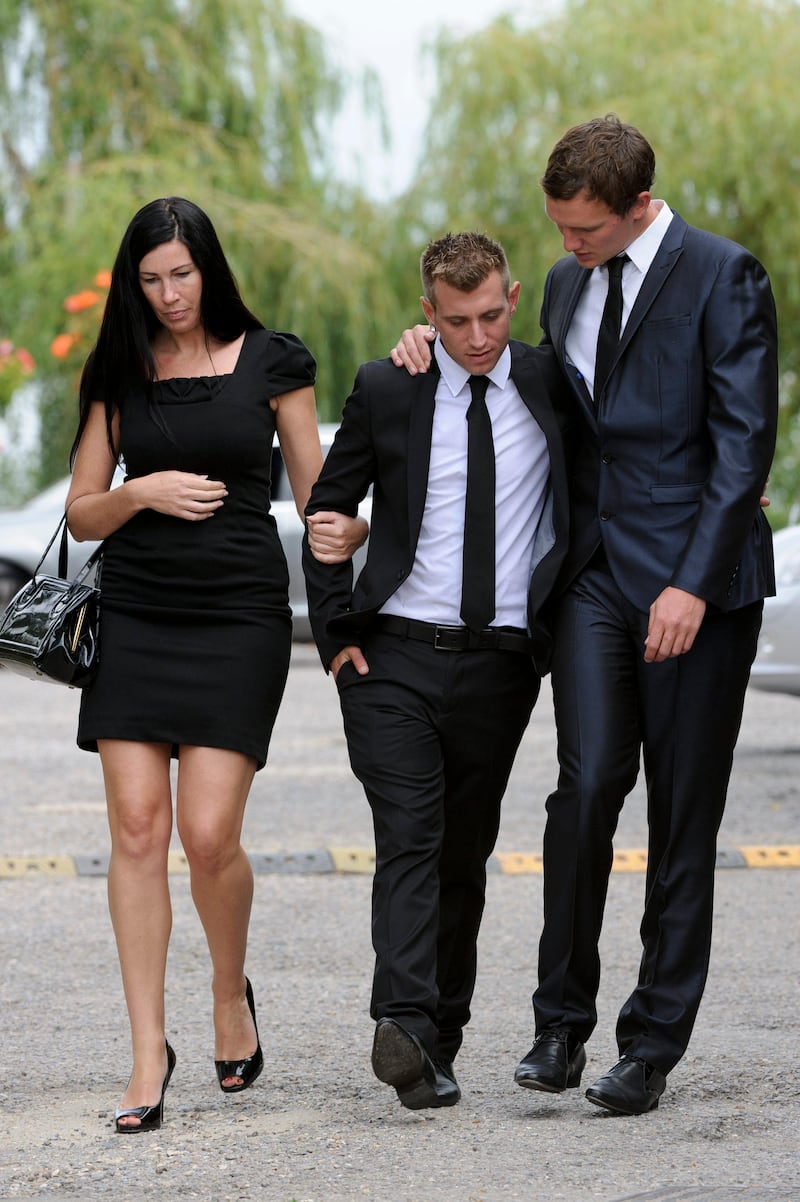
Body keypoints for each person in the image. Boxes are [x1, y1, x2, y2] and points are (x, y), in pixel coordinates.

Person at [390, 116, 778, 1115]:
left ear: (636, 208)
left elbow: (743, 445)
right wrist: (426, 345)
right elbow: (532, 396)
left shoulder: (720, 274)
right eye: (557, 228)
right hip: (593, 577)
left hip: (697, 582)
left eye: (584, 231)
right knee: (584, 786)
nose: (565, 248)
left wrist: (692, 581)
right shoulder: (563, 286)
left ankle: (648, 1043)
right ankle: (557, 1023)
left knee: (678, 813)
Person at [66, 197, 347, 1133]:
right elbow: (80, 512)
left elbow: (317, 499)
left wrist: (354, 550)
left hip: (237, 614)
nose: (168, 294)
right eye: (150, 280)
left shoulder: (274, 360)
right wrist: (136, 490)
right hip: (137, 614)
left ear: (208, 270)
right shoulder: (119, 370)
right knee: (138, 831)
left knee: (208, 834)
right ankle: (149, 1050)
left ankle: (231, 991)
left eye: (181, 275)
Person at [302, 231, 572, 1111]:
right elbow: (328, 506)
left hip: (500, 665)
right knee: (411, 833)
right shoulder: (389, 386)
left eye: (492, 314)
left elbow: (628, 455)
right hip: (391, 657)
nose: (478, 336)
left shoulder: (549, 383)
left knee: (464, 850)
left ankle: (434, 1042)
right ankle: (405, 1018)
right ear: (428, 315)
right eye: (455, 321)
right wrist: (335, 632)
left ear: (514, 296)